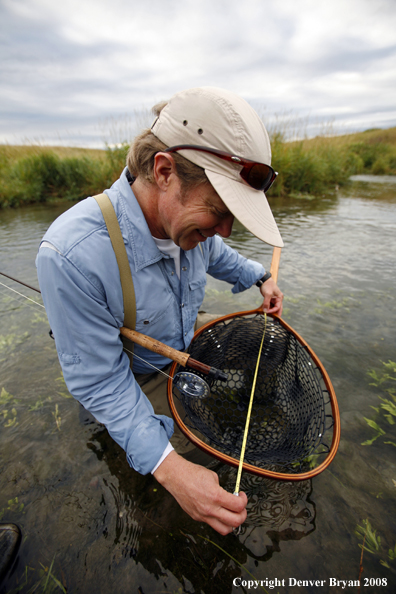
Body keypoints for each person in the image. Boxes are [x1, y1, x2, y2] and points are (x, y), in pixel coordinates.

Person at [36, 87, 284, 536]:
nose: (224, 230)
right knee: (189, 472)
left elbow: (221, 256)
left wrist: (258, 277)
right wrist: (170, 469)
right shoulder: (71, 254)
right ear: (164, 171)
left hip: (181, 353)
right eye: (219, 210)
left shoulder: (193, 227)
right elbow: (99, 380)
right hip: (129, 380)